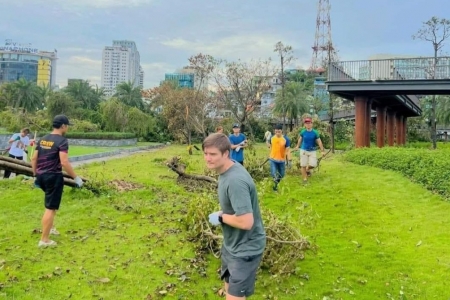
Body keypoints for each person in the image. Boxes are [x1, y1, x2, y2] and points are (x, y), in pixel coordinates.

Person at [204, 133, 266, 300]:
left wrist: (221, 217)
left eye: (213, 154)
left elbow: (246, 222)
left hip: (246, 247)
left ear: (226, 153)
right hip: (231, 244)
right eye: (206, 153)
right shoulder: (227, 170)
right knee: (228, 287)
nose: (208, 158)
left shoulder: (235, 181)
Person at [31, 115, 84, 248]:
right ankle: (44, 240)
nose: (67, 128)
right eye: (67, 125)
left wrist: (35, 174)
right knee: (50, 207)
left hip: (41, 176)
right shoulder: (62, 141)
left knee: (50, 204)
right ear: (63, 126)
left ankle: (50, 228)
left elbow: (33, 158)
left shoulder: (43, 139)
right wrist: (76, 178)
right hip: (53, 177)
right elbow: (64, 162)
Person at [294, 117, 325, 184]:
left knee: (313, 164)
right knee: (303, 165)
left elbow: (319, 142)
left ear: (312, 124)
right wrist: (297, 146)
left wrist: (322, 151)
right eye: (306, 123)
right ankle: (305, 179)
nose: (308, 124)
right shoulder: (303, 132)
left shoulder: (315, 132)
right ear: (305, 124)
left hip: (312, 150)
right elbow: (300, 139)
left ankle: (307, 169)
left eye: (309, 123)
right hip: (304, 150)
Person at [266, 124, 291, 191]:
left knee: (282, 175)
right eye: (276, 132)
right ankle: (275, 187)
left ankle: (276, 183)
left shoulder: (286, 139)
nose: (277, 133)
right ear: (274, 131)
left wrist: (289, 160)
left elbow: (288, 150)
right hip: (273, 159)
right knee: (273, 174)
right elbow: (268, 146)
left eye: (279, 132)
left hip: (282, 160)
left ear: (281, 131)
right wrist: (267, 140)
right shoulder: (272, 138)